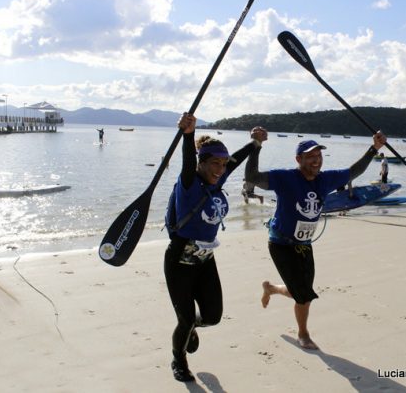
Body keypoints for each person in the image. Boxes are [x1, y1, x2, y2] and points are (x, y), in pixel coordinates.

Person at [245, 132, 386, 350]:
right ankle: (303, 334)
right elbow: (253, 177)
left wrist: (373, 148)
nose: (316, 159)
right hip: (281, 244)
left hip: (304, 245)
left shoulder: (325, 180)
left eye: (319, 155)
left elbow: (354, 172)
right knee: (304, 295)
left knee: (300, 291)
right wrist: (256, 145)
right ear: (298, 159)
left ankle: (271, 288)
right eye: (310, 156)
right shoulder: (285, 178)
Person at [164, 113, 267, 382]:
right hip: (179, 261)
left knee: (212, 317)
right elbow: (187, 160)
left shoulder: (217, 178)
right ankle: (179, 359)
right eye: (214, 164)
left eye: (222, 164)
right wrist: (188, 134)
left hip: (205, 259)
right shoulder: (189, 183)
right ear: (201, 163)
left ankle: (189, 327)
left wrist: (255, 143)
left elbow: (235, 160)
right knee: (185, 319)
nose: (220, 169)